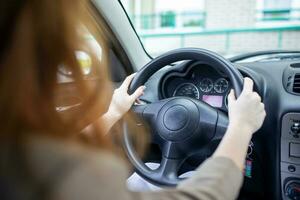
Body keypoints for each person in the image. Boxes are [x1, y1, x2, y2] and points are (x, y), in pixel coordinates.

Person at [0, 1, 266, 200]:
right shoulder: (56, 176)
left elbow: (67, 146)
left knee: (149, 170)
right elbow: (203, 194)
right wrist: (241, 126)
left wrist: (114, 110)